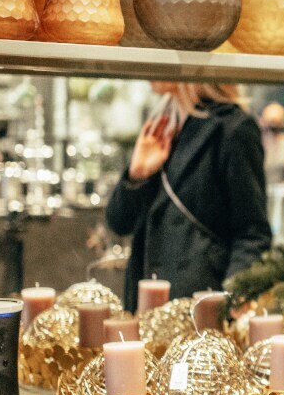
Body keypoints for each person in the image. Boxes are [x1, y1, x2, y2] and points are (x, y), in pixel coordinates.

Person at [106, 81, 271, 311]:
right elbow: (118, 223)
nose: (150, 60)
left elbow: (253, 233)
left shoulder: (232, 128)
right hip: (146, 312)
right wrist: (137, 175)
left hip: (198, 317)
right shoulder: (160, 123)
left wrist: (229, 305)